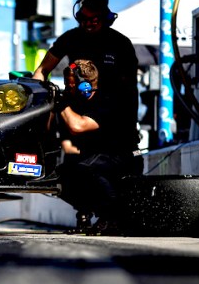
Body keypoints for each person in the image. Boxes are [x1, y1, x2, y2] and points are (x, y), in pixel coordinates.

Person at [54, 59, 142, 235]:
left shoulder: (107, 100)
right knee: (59, 177)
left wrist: (60, 103)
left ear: (84, 86)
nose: (67, 89)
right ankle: (87, 216)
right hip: (99, 157)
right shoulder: (77, 103)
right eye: (66, 85)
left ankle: (113, 217)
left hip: (124, 157)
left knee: (86, 169)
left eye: (71, 86)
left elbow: (77, 126)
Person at [31, 0, 139, 111]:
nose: (87, 23)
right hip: (76, 109)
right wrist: (35, 97)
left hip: (110, 113)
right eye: (83, 18)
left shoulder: (121, 44)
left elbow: (128, 87)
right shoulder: (69, 38)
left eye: (94, 20)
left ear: (106, 19)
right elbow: (42, 70)